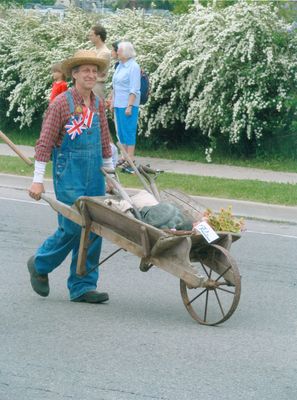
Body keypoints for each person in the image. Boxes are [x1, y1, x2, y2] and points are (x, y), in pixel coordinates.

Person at [27, 49, 114, 304]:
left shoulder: (97, 103)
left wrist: (111, 176)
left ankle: (83, 286)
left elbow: (105, 141)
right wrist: (37, 178)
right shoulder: (60, 104)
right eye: (85, 70)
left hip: (95, 173)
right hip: (69, 173)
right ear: (74, 74)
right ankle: (40, 264)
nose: (90, 74)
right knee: (74, 225)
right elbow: (44, 143)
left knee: (95, 227)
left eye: (94, 70)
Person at [111, 41, 141, 171]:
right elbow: (115, 85)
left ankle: (130, 158)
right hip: (118, 103)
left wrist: (130, 105)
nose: (117, 52)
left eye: (119, 50)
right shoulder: (119, 66)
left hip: (129, 104)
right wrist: (112, 101)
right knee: (121, 132)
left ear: (126, 52)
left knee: (129, 130)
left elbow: (134, 88)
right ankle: (123, 156)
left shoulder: (133, 66)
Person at [88, 24, 111, 98]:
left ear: (98, 36)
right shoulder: (92, 50)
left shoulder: (105, 52)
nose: (90, 37)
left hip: (97, 86)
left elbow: (99, 71)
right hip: (88, 85)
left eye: (91, 35)